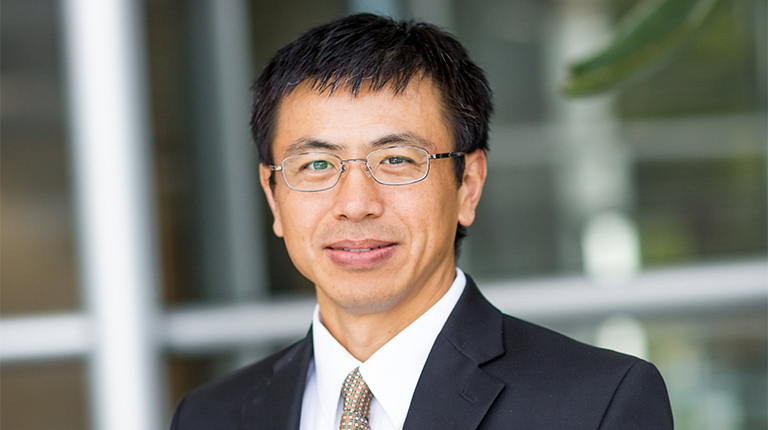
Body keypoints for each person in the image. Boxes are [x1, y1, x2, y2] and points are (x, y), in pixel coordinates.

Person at [170, 13, 673, 430]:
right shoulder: (210, 417)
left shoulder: (597, 405)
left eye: (395, 160)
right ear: (274, 196)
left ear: (468, 185)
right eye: (317, 165)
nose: (355, 204)